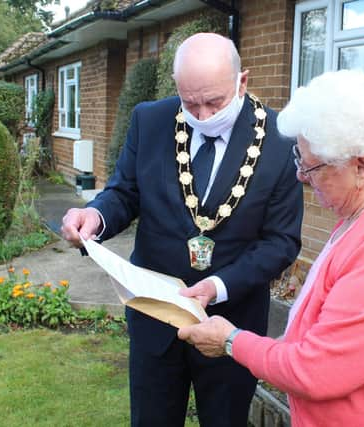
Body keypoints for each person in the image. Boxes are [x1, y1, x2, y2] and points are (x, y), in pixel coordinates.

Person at [178, 69, 364, 426]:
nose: (300, 176)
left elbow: (316, 371)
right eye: (300, 160)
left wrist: (231, 340)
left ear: (361, 167)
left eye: (312, 166)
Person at [61, 33, 303, 427]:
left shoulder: (280, 137)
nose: (203, 116)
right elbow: (125, 192)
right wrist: (96, 217)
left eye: (214, 102)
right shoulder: (150, 119)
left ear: (242, 81)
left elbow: (281, 241)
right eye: (190, 103)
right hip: (154, 316)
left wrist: (218, 286)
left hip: (231, 324)